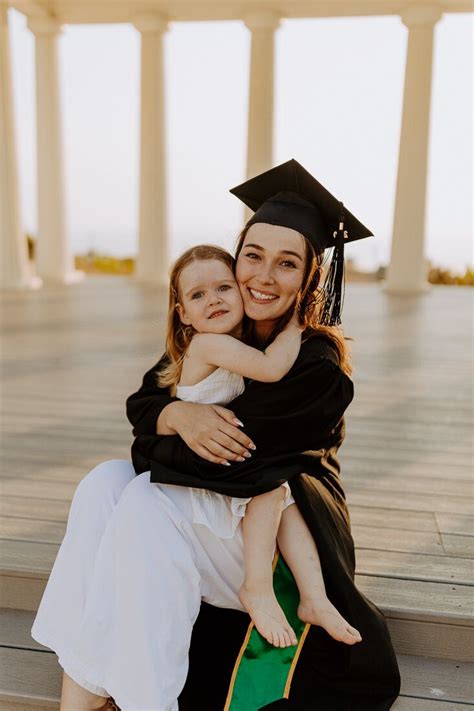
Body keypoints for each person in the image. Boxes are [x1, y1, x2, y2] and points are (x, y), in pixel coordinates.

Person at [30, 160, 400, 710]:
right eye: (253, 256)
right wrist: (177, 417)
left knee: (143, 504)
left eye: (287, 264)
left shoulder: (317, 363)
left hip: (277, 539)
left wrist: (167, 428)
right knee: (103, 483)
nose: (263, 277)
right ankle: (79, 697)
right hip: (217, 516)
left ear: (309, 279)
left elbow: (230, 464)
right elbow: (144, 405)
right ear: (236, 257)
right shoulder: (220, 322)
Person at [156, 242, 362, 649]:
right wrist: (296, 326)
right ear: (183, 313)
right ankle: (257, 586)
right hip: (204, 470)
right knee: (270, 490)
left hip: (225, 460)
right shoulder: (207, 344)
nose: (213, 301)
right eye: (198, 296)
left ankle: (314, 598)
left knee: (287, 500)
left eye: (223, 289)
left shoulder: (231, 341)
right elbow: (271, 368)